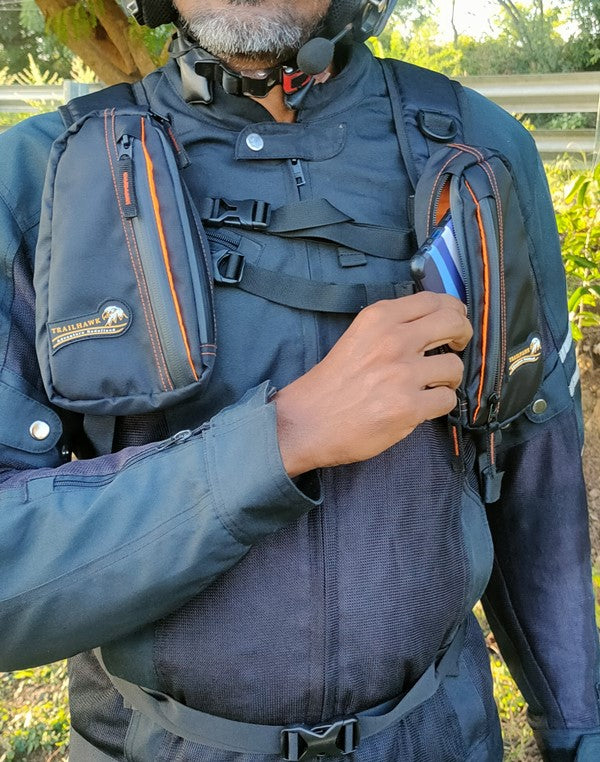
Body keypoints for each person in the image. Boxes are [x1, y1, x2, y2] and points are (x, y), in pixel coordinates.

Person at [0, 1, 598, 759]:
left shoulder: (480, 148)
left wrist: (580, 732)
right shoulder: (36, 179)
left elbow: (535, 472)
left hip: (439, 736)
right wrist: (283, 438)